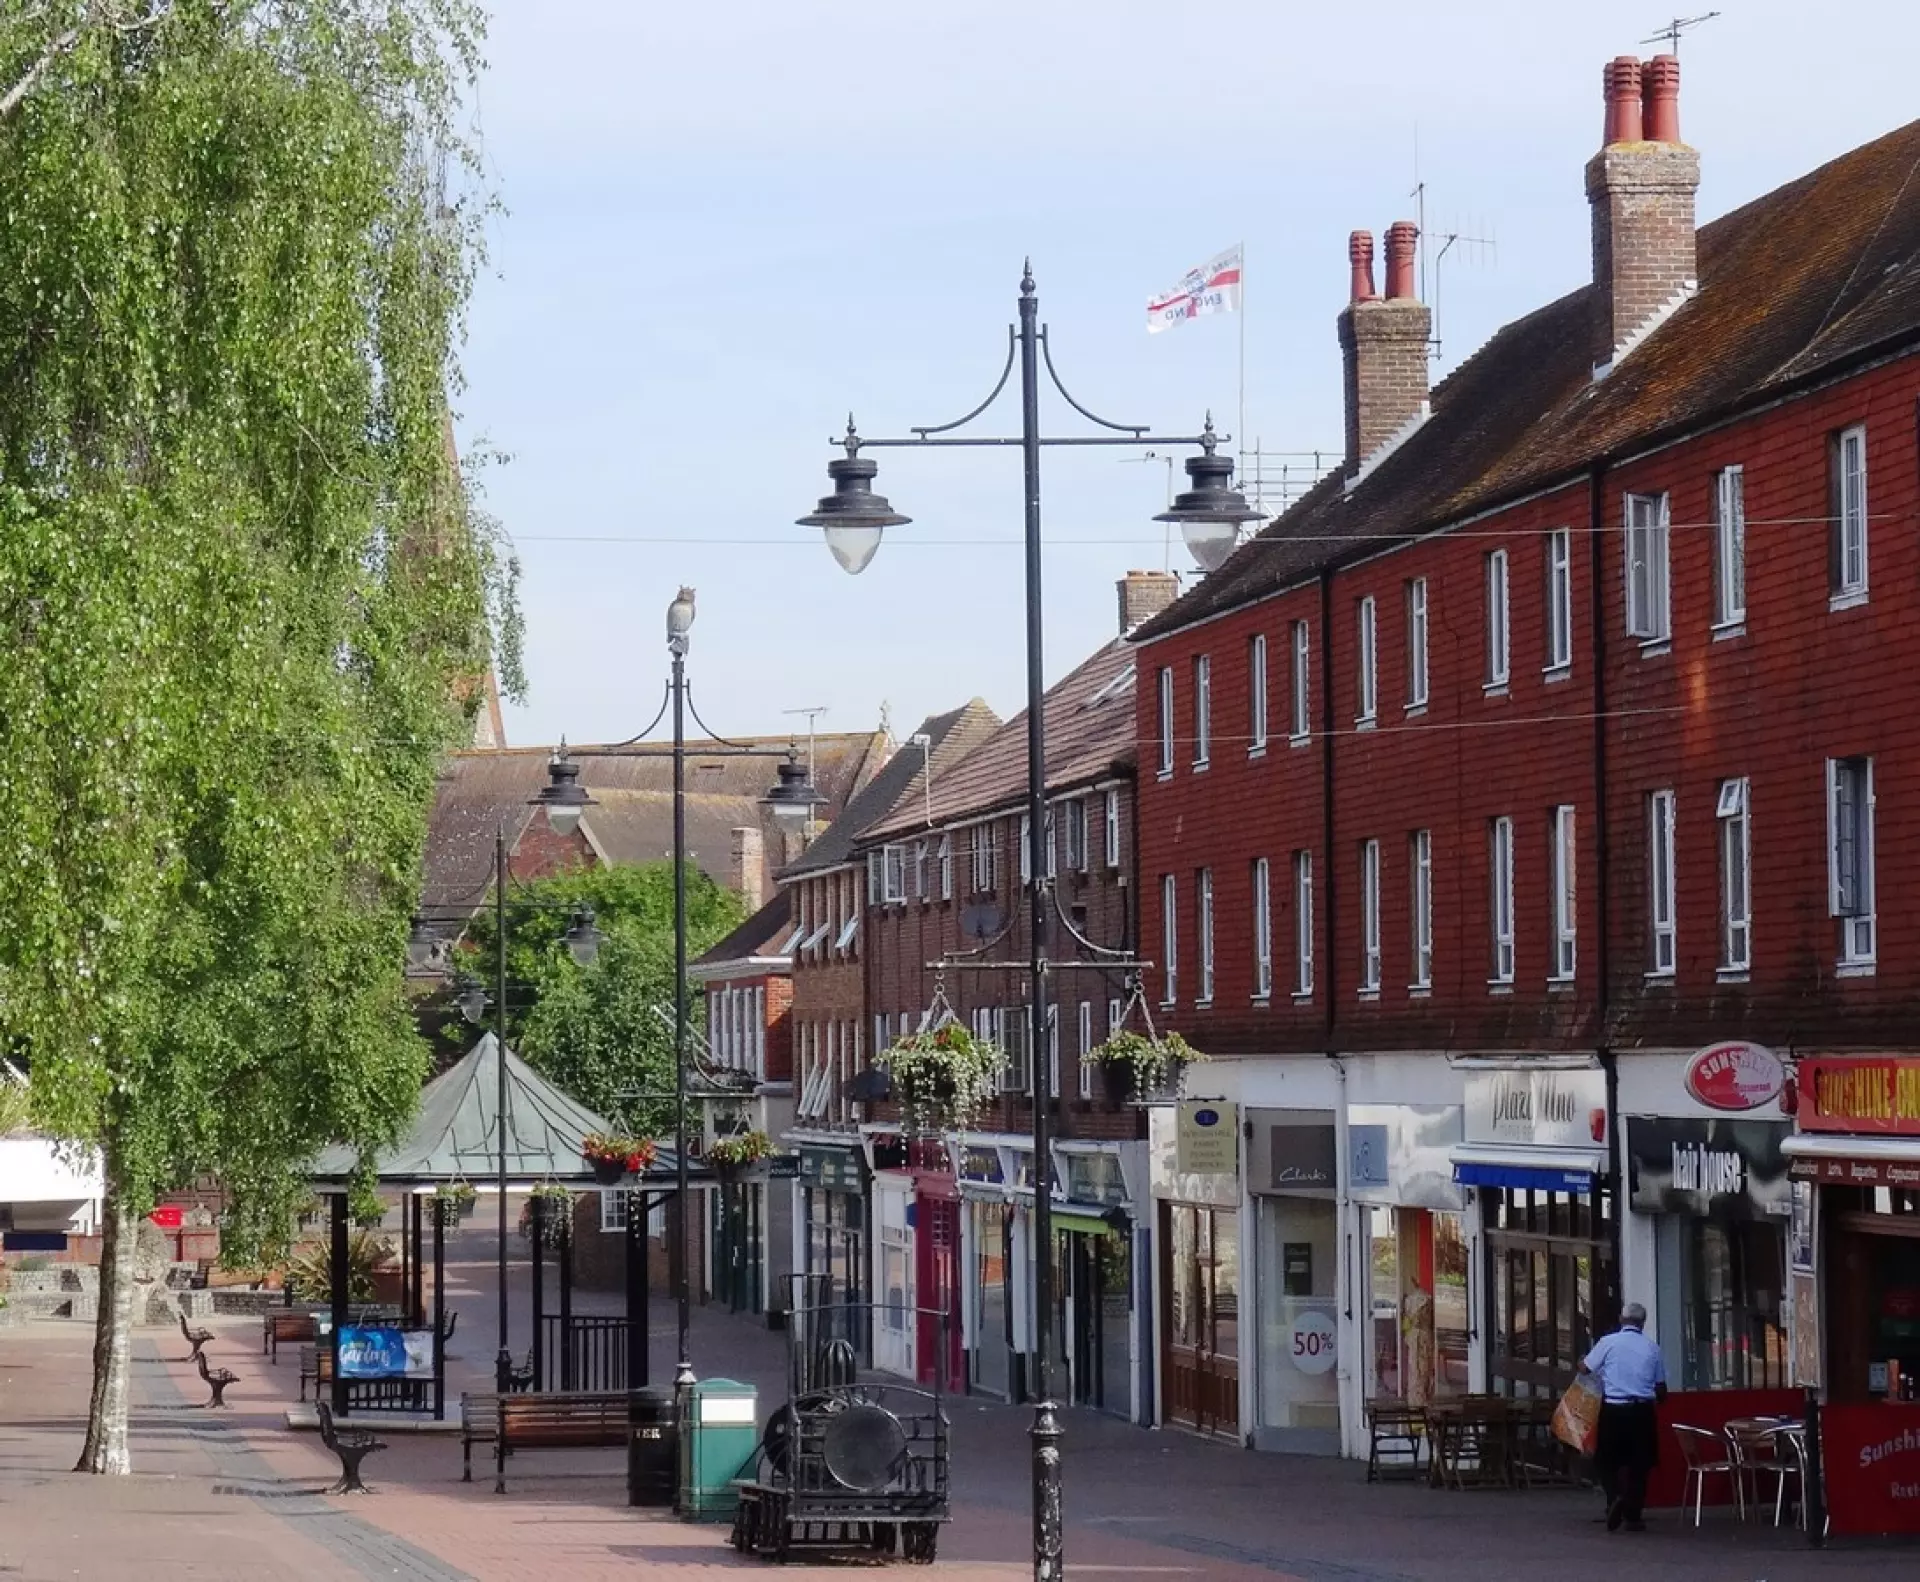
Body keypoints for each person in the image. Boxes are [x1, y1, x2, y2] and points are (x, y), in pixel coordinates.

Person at [1580, 1303, 1667, 1532]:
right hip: (1642, 1412)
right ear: (1643, 1322)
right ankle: (1633, 1515)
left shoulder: (1608, 1343)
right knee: (1640, 1464)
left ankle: (1614, 1498)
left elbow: (1585, 1369)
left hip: (1614, 1410)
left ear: (1621, 1318)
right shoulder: (1652, 1348)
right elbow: (1661, 1388)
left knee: (1606, 1461)